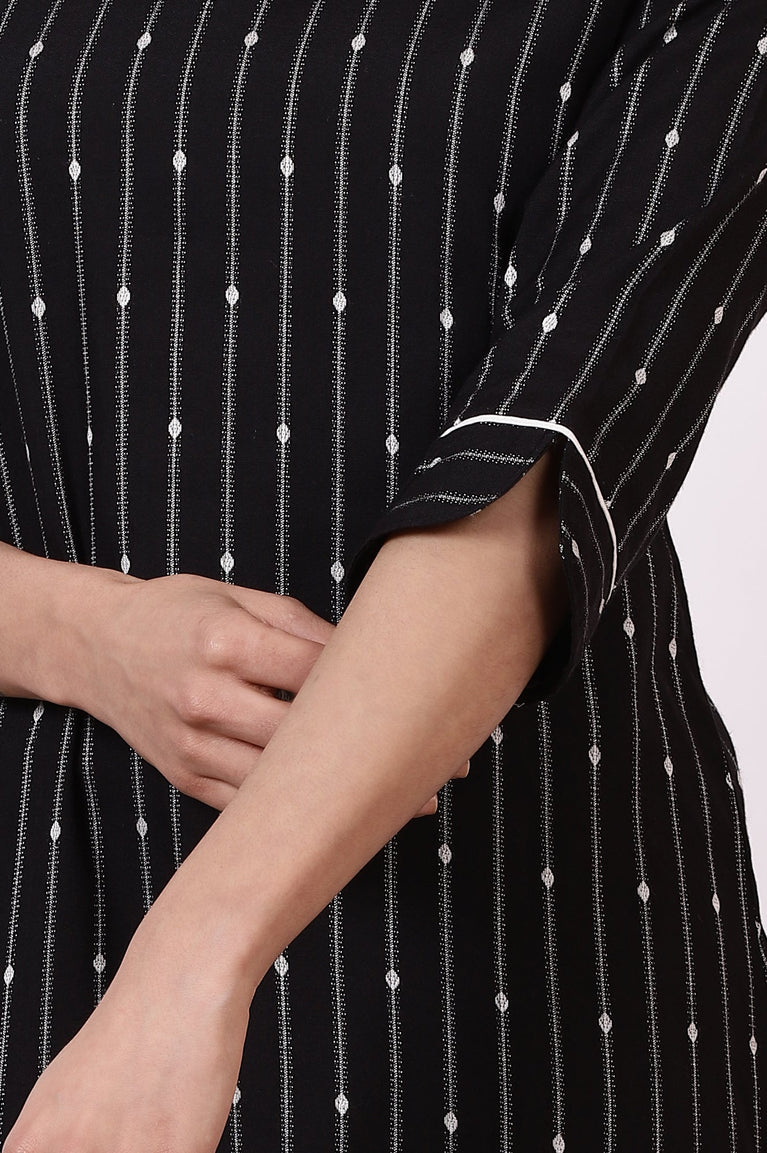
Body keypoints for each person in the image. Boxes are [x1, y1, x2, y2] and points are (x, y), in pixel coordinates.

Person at [0, 1, 765, 1150]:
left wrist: (193, 964)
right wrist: (71, 633)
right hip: (47, 899)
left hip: (503, 967)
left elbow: (540, 472)